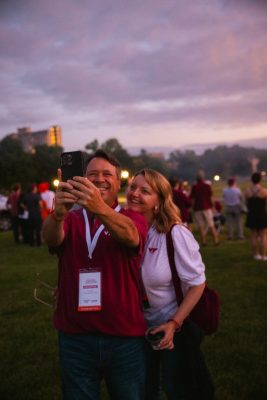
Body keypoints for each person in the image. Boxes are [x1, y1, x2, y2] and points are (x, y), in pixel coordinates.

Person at [42, 150, 148, 400]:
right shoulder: (72, 218)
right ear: (83, 179)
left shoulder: (132, 217)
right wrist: (58, 214)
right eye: (92, 174)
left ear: (118, 181)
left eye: (106, 174)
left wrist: (98, 207)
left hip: (124, 337)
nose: (99, 179)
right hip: (75, 336)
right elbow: (50, 238)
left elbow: (131, 236)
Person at [126, 168, 213, 400]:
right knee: (144, 390)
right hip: (135, 330)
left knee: (177, 389)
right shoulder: (126, 231)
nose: (134, 193)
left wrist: (174, 323)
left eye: (144, 190)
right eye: (133, 186)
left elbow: (197, 284)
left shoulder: (174, 233)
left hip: (172, 330)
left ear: (159, 201)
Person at [190, 170, 219, 246]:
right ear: (203, 177)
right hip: (207, 208)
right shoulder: (207, 186)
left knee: (201, 226)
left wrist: (192, 208)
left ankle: (204, 241)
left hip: (197, 208)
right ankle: (216, 240)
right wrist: (213, 206)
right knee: (211, 224)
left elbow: (193, 199)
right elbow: (211, 197)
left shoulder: (194, 187)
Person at [244, 172, 267, 260]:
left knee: (253, 235)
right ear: (260, 180)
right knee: (263, 235)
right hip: (261, 214)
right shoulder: (264, 191)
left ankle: (256, 255)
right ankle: (264, 255)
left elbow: (246, 203)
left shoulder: (247, 191)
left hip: (252, 214)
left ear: (251, 180)